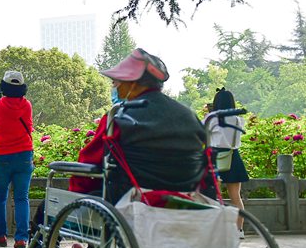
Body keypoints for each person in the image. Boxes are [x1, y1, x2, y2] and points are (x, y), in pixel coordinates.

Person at [70, 48, 207, 203]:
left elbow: (88, 166)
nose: (114, 86)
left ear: (132, 83)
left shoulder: (119, 117)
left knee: (46, 210)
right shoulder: (188, 116)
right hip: (184, 202)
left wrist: (75, 194)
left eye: (117, 81)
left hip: (130, 204)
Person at [0, 71, 34, 248]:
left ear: (3, 87)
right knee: (21, 197)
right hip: (24, 155)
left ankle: (0, 235)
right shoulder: (27, 105)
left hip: (1, 156)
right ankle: (21, 239)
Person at [209, 87, 248, 237]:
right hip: (233, 157)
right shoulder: (239, 119)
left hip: (215, 158)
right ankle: (239, 230)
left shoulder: (212, 119)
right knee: (236, 197)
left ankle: (216, 231)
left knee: (213, 197)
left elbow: (202, 133)